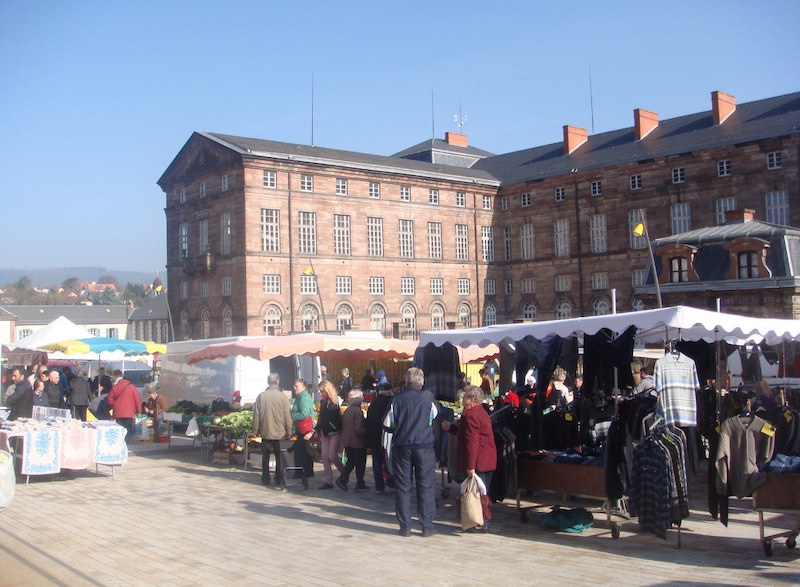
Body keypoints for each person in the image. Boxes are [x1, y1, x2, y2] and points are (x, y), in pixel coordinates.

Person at [384, 367, 438, 537]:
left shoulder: (396, 399)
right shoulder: (429, 397)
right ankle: (427, 526)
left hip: (402, 446)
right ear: (421, 382)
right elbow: (435, 416)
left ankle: (405, 526)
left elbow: (387, 424)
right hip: (424, 447)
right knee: (426, 485)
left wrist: (399, 427)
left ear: (406, 381)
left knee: (403, 487)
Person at [442, 384, 497, 532]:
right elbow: (466, 433)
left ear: (471, 399)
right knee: (481, 492)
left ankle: (479, 522)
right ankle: (481, 521)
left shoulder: (471, 415)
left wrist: (471, 466)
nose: (462, 398)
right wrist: (451, 428)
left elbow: (472, 443)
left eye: (465, 396)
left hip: (479, 461)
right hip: (486, 459)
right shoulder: (478, 412)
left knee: (478, 494)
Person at [252, 372, 293, 490]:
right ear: (278, 382)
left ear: (268, 382)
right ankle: (278, 478)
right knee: (279, 456)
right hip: (280, 432)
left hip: (265, 431)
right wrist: (289, 431)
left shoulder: (261, 396)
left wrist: (255, 430)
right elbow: (287, 416)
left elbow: (256, 415)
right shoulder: (283, 397)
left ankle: (265, 478)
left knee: (265, 455)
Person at [336, 390, 368, 491]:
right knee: (360, 463)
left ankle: (343, 479)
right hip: (357, 442)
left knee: (351, 461)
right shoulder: (358, 411)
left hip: (348, 440)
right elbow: (358, 429)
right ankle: (358, 482)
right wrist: (367, 430)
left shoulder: (348, 410)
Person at [315, 380, 343, 489]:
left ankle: (344, 473)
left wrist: (316, 429)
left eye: (322, 391)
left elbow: (327, 419)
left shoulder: (333, 403)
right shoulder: (323, 402)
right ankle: (329, 481)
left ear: (327, 390)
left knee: (332, 456)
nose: (321, 393)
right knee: (325, 457)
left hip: (334, 431)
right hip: (325, 432)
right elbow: (323, 418)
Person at [366, 383, 394, 494]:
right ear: (389, 391)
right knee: (389, 460)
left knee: (377, 461)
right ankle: (391, 481)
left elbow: (368, 420)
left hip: (374, 436)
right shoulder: (390, 402)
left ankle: (379, 485)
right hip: (387, 436)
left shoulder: (373, 404)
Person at [289, 378, 315, 478]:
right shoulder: (301, 396)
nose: (295, 388)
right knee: (305, 450)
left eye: (297, 386)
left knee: (303, 450)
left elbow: (305, 413)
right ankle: (307, 471)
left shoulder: (303, 397)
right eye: (294, 386)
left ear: (303, 387)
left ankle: (304, 472)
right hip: (303, 429)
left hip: (304, 429)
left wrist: (292, 417)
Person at [107, 370, 142, 443]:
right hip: (129, 413)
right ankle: (126, 442)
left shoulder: (115, 387)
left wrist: (114, 406)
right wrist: (139, 411)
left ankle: (120, 442)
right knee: (128, 429)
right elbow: (137, 400)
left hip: (118, 413)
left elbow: (110, 399)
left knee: (120, 428)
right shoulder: (132, 387)